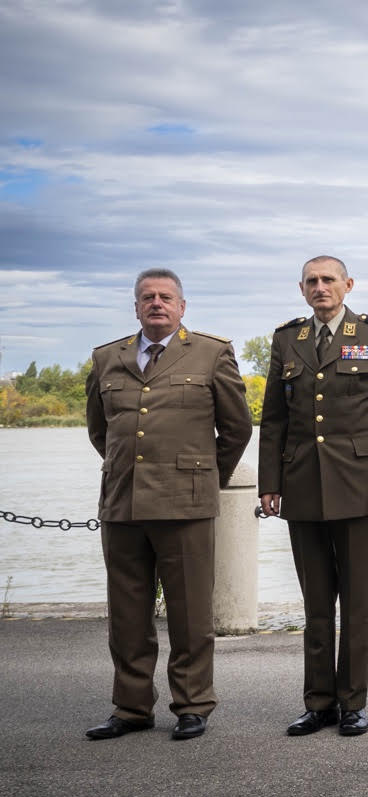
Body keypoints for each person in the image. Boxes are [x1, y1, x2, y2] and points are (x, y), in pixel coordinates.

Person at [83, 269, 253, 741]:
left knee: (190, 614)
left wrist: (202, 477)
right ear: (136, 307)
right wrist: (129, 470)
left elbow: (237, 428)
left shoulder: (211, 353)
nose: (156, 303)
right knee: (127, 616)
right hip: (123, 503)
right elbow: (100, 431)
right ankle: (131, 707)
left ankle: (192, 704)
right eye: (147, 297)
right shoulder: (106, 357)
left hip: (186, 505)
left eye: (165, 297)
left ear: (181, 307)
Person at [259, 255, 368, 738]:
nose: (320, 287)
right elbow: (274, 420)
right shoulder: (288, 339)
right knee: (316, 603)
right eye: (312, 281)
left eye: (328, 280)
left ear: (348, 285)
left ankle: (352, 703)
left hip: (360, 486)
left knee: (357, 602)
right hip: (301, 485)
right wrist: (269, 483)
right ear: (301, 289)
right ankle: (318, 702)